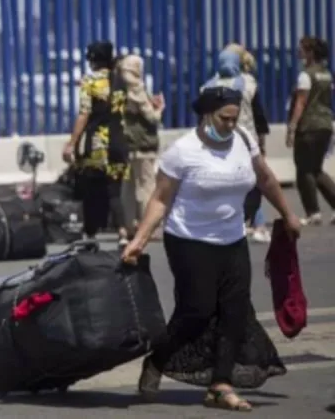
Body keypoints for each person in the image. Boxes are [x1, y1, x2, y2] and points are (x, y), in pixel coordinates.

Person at [122, 86, 301, 412]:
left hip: (232, 239)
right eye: (224, 119)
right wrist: (140, 239)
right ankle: (157, 360)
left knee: (234, 311)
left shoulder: (244, 140)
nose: (230, 125)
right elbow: (160, 199)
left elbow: (266, 179)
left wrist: (288, 214)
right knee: (198, 310)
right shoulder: (183, 151)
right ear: (207, 114)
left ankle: (220, 385)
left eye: (234, 119)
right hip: (189, 240)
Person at [63, 41, 129, 245]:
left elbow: (84, 114)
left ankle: (90, 232)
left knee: (91, 188)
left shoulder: (90, 82)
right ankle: (123, 233)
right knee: (115, 191)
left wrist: (72, 143)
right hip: (119, 142)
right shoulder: (121, 81)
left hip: (99, 144)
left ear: (92, 60)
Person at [205, 45, 272, 241]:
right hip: (246, 138)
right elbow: (259, 116)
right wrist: (262, 142)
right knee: (254, 182)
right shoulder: (249, 83)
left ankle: (234, 222)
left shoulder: (209, 85)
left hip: (219, 140)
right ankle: (258, 225)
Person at [286, 36, 335, 225]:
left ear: (310, 53)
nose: (299, 51)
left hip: (309, 126)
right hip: (325, 125)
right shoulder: (326, 74)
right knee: (316, 169)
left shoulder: (305, 75)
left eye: (302, 48)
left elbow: (301, 102)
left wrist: (292, 127)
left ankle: (312, 212)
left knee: (304, 170)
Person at [120, 54, 164, 233]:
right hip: (143, 144)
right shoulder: (137, 89)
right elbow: (152, 118)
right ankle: (149, 227)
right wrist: (159, 108)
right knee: (147, 186)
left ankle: (129, 224)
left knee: (128, 187)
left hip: (127, 143)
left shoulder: (120, 88)